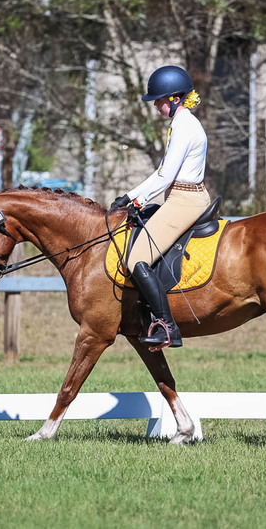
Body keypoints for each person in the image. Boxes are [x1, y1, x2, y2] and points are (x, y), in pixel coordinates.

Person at [109, 65, 211, 350]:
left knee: (135, 260)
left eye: (160, 99)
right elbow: (162, 173)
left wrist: (135, 199)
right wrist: (131, 197)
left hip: (184, 200)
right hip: (182, 196)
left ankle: (167, 326)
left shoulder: (184, 126)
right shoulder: (182, 123)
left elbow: (165, 175)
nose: (156, 104)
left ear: (175, 98)